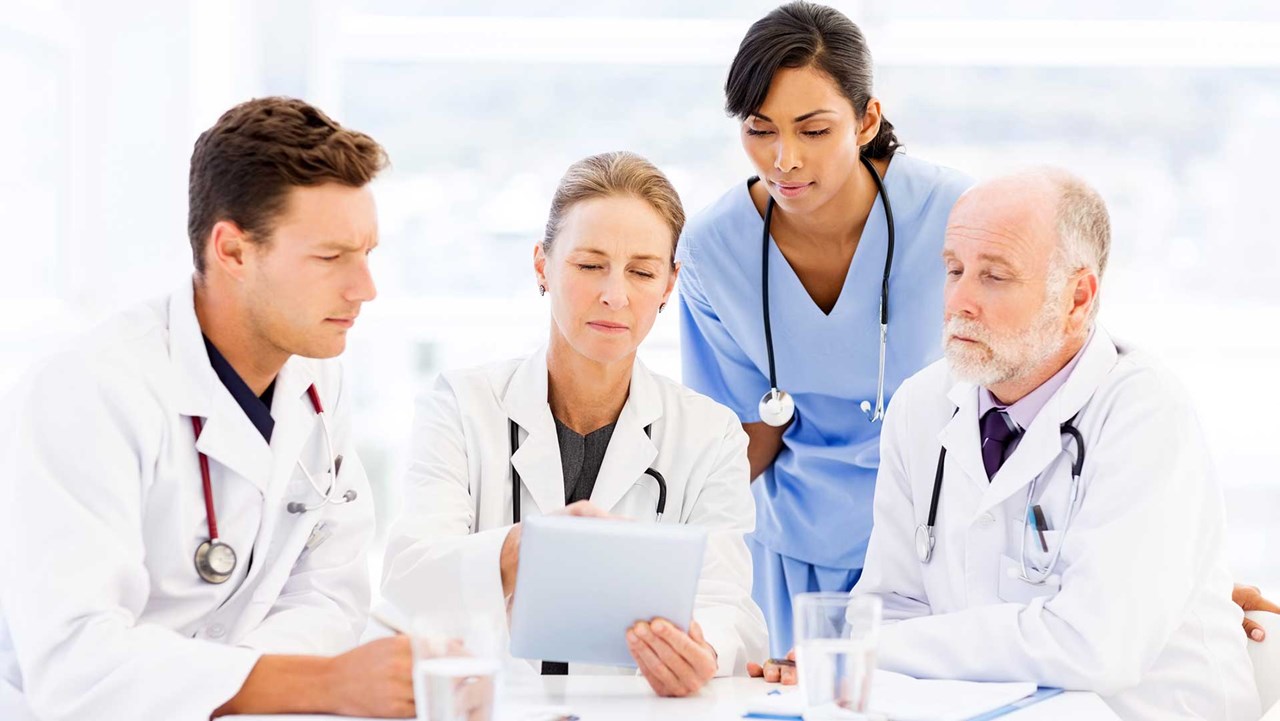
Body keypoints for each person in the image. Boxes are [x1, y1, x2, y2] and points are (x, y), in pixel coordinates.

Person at [765, 169, 1259, 719]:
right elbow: (886, 608)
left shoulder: (1144, 412)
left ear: (1077, 297)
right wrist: (875, 646)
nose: (959, 302)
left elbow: (1094, 645)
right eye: (953, 270)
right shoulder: (921, 405)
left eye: (995, 277)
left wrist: (879, 650)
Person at [0, 97, 416, 719]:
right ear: (232, 251)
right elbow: (75, 664)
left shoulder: (317, 374)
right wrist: (317, 686)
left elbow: (328, 592)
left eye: (368, 253)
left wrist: (237, 684)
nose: (366, 289)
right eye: (331, 258)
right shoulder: (88, 392)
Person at [382, 151, 767, 698]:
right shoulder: (461, 406)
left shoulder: (710, 434)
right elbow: (408, 581)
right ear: (542, 265)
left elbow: (730, 608)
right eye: (589, 265)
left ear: (670, 284)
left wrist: (700, 650)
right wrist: (523, 549)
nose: (615, 294)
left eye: (642, 271)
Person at [676, 1, 973, 655]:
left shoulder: (953, 215)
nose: (783, 160)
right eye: (760, 130)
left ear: (866, 120)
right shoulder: (713, 248)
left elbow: (1038, 398)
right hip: (790, 553)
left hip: (937, 548)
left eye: (812, 130)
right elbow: (735, 447)